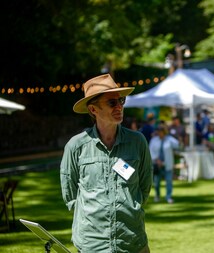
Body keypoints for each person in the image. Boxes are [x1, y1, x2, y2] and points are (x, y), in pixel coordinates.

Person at [60, 74, 152, 253]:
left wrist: (130, 209)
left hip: (132, 241)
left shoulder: (137, 141)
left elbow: (145, 186)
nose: (119, 107)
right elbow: (70, 195)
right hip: (92, 244)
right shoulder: (76, 146)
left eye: (121, 101)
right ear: (93, 110)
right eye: (112, 103)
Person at [149, 122, 179, 203]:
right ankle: (157, 195)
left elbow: (177, 144)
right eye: (158, 131)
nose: (159, 133)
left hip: (167, 164)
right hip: (157, 164)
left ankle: (168, 197)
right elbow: (151, 151)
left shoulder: (169, 139)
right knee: (157, 182)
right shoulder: (154, 140)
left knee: (169, 181)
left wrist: (169, 135)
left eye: (161, 131)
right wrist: (156, 160)